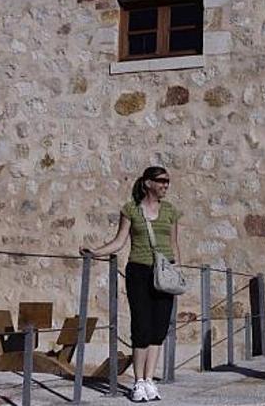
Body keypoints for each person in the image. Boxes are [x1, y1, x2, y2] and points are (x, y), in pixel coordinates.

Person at [80, 166, 183, 402]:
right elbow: (119, 241)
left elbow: (174, 243)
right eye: (161, 181)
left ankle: (149, 380)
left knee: (159, 329)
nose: (166, 185)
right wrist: (95, 252)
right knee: (141, 326)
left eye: (168, 182)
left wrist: (177, 270)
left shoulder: (170, 211)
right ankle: (138, 382)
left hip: (164, 273)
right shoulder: (131, 210)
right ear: (148, 183)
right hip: (139, 271)